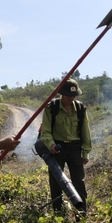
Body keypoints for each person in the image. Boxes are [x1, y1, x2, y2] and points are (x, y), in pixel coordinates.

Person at [39, 78, 92, 215]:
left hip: (75, 149)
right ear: (62, 94)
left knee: (78, 182)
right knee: (56, 182)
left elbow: (86, 132)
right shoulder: (52, 108)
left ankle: (81, 215)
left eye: (74, 95)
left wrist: (85, 153)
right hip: (57, 149)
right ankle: (59, 215)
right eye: (69, 95)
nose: (71, 98)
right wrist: (51, 145)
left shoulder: (80, 109)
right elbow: (45, 132)